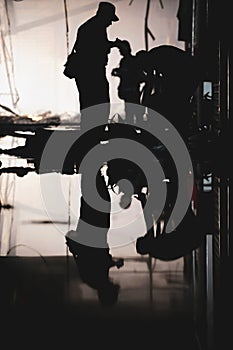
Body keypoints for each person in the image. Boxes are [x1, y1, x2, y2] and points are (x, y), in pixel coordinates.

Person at [70, 2, 122, 131]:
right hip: (92, 72)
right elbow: (94, 49)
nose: (110, 23)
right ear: (104, 16)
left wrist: (111, 45)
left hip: (87, 72)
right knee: (97, 102)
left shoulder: (89, 26)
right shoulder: (96, 28)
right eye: (110, 19)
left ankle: (90, 134)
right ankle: (94, 134)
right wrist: (113, 45)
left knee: (90, 103)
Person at [111, 40, 145, 125]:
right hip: (131, 89)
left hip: (130, 89)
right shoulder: (127, 60)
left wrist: (119, 72)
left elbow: (130, 73)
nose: (120, 51)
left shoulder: (128, 61)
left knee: (131, 111)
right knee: (133, 111)